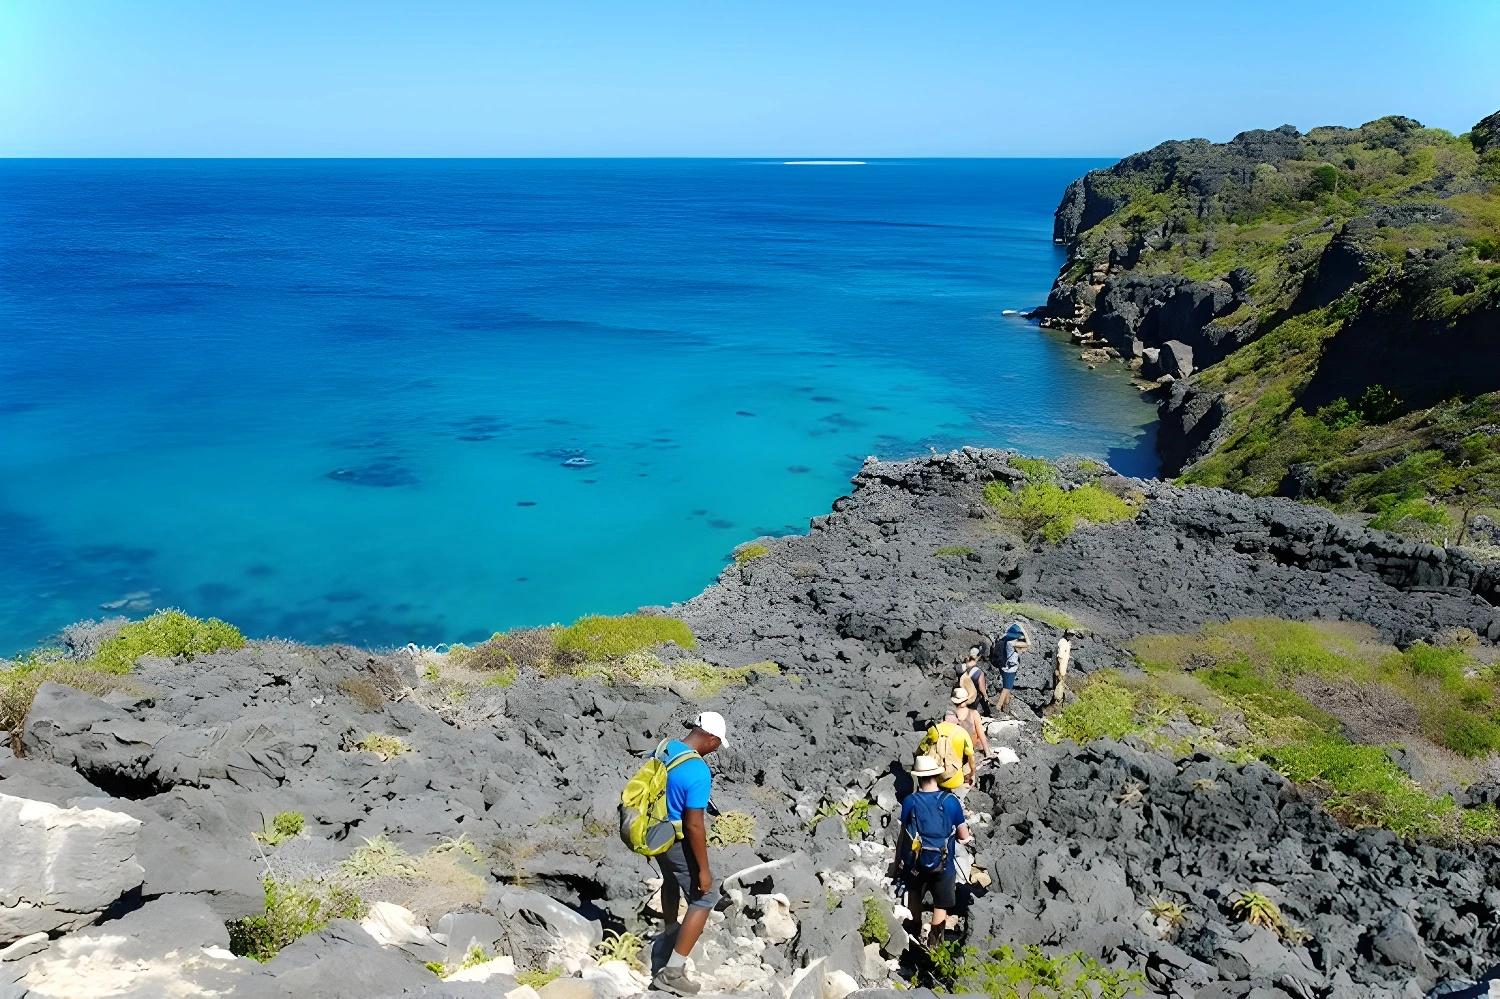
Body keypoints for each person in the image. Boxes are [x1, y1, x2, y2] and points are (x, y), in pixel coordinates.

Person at [651, 711, 729, 996]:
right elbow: (694, 824)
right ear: (709, 738)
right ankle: (671, 973)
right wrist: (704, 870)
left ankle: (670, 934)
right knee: (705, 897)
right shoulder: (697, 770)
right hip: (674, 839)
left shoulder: (666, 748)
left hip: (653, 832)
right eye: (718, 743)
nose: (717, 749)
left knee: (670, 879)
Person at [898, 754, 972, 948]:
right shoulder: (951, 801)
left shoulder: (909, 801)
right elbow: (963, 835)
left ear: (918, 777)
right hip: (944, 863)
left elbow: (904, 833)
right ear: (937, 775)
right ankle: (934, 942)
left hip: (916, 861)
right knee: (941, 902)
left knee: (914, 893)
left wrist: (898, 861)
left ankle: (913, 933)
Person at [918, 710, 976, 793]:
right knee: (968, 758)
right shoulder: (962, 732)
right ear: (956, 719)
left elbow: (920, 750)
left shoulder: (934, 729)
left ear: (943, 719)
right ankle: (964, 786)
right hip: (954, 781)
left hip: (933, 779)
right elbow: (971, 756)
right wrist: (973, 774)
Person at [990, 622, 1030, 715]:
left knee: (1007, 686)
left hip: (1003, 666)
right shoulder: (1013, 643)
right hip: (1010, 669)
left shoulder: (1005, 639)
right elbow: (1028, 644)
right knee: (1007, 688)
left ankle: (1006, 705)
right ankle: (998, 707)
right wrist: (1024, 631)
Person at [950, 685, 990, 758]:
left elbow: (981, 734)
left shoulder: (973, 713)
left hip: (967, 747)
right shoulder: (952, 714)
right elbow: (981, 733)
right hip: (959, 747)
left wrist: (987, 752)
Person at [955, 645, 990, 716]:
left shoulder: (961, 667)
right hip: (971, 697)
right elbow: (981, 687)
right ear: (978, 657)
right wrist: (985, 695)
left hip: (960, 694)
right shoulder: (979, 672)